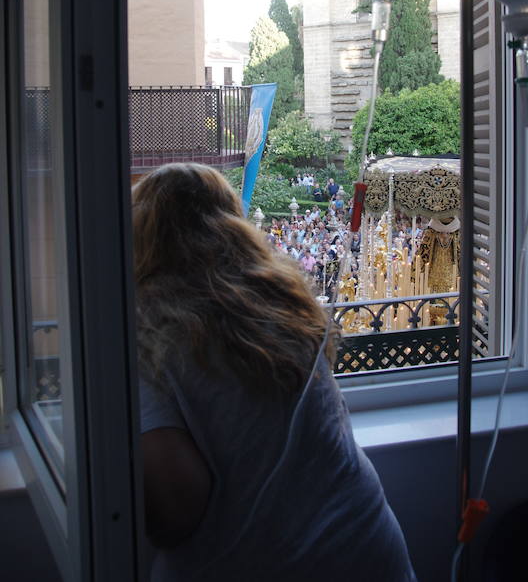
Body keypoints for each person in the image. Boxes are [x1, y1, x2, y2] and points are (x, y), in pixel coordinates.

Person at [133, 163, 416, 582]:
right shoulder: (284, 299)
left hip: (260, 562)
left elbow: (177, 509)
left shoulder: (146, 331)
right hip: (367, 545)